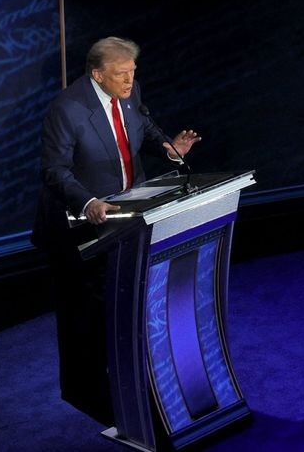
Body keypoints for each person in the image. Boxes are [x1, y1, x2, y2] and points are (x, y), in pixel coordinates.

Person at [31, 36, 200, 424]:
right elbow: (53, 170)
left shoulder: (129, 90)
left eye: (133, 73)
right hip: (78, 228)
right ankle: (85, 392)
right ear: (97, 74)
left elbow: (143, 122)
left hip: (126, 217)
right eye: (122, 74)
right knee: (83, 314)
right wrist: (88, 202)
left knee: (123, 300)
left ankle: (129, 379)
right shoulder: (67, 109)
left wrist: (167, 146)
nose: (129, 81)